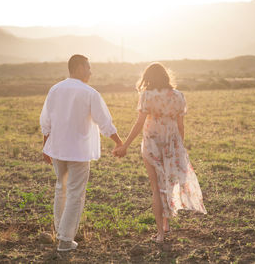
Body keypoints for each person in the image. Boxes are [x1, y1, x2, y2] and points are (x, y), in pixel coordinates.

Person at [113, 63, 206, 243]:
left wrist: (125, 145)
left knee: (156, 188)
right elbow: (181, 126)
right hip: (172, 144)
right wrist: (180, 146)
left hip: (152, 144)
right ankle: (166, 224)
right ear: (166, 77)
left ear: (148, 78)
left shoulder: (146, 95)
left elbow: (139, 123)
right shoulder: (178, 96)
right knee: (168, 185)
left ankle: (161, 234)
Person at [40, 54, 123, 251]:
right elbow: (105, 123)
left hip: (58, 149)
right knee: (75, 193)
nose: (90, 72)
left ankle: (61, 232)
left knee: (62, 189)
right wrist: (119, 142)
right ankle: (65, 240)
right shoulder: (90, 93)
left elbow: (45, 120)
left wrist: (45, 146)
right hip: (78, 151)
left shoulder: (55, 89)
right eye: (88, 68)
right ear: (78, 68)